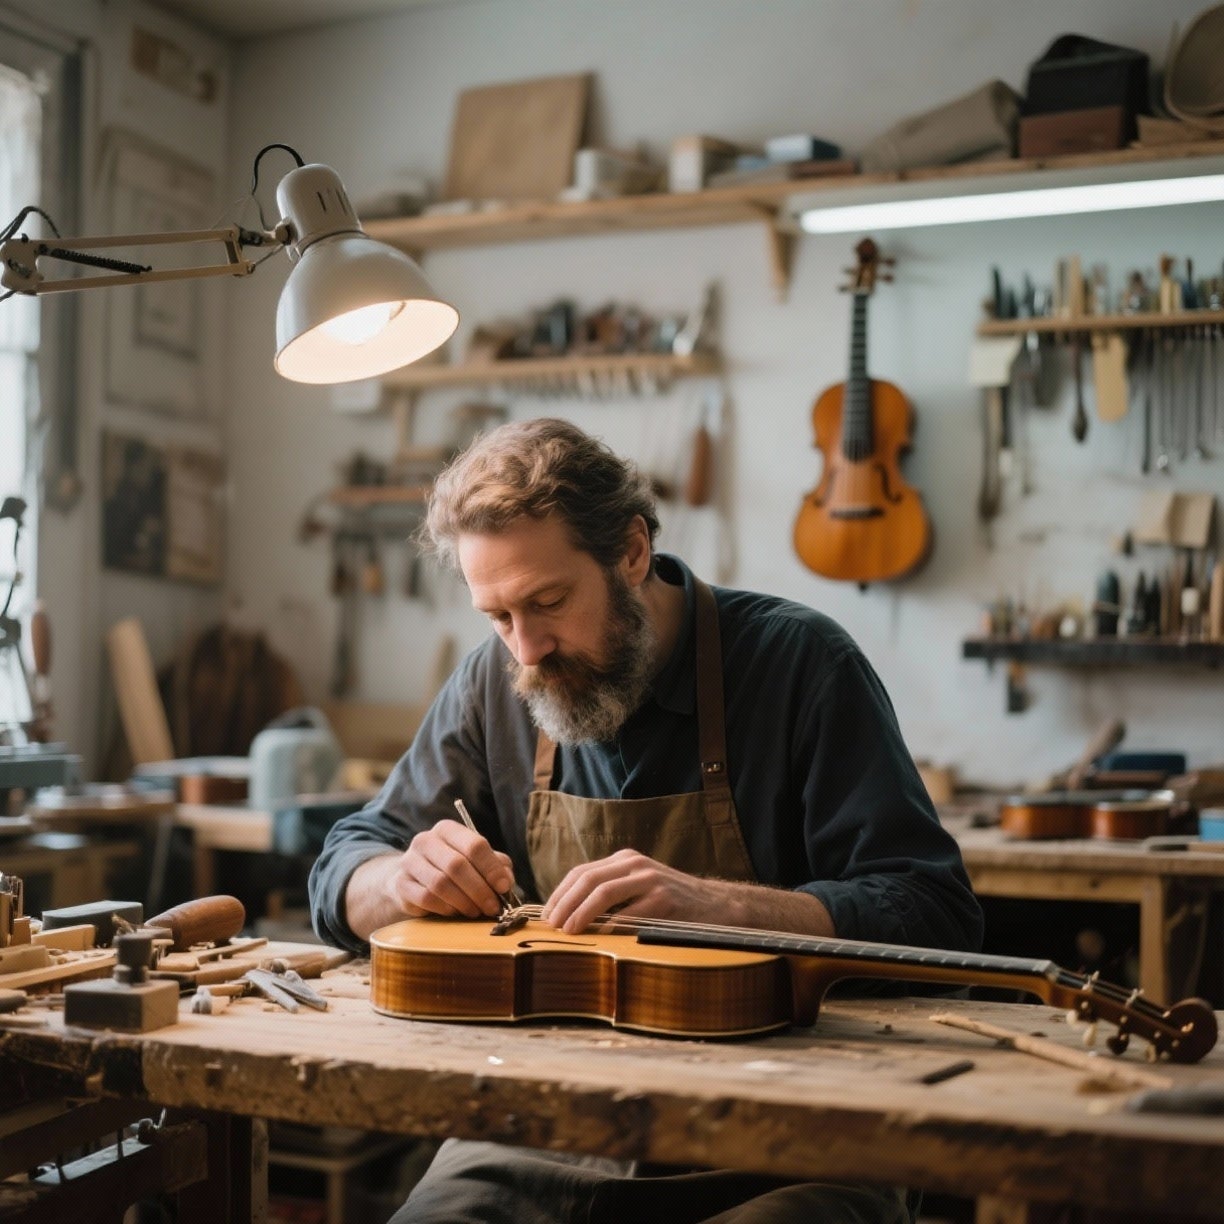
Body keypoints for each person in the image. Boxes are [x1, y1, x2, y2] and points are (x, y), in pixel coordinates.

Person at [309, 416, 983, 1224]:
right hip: (544, 1122)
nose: (525, 649)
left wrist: (732, 911)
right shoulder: (497, 681)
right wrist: (395, 879)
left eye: (549, 602)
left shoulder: (800, 662)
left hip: (790, 1132)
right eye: (497, 616)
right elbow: (343, 863)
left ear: (631, 552)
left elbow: (938, 915)